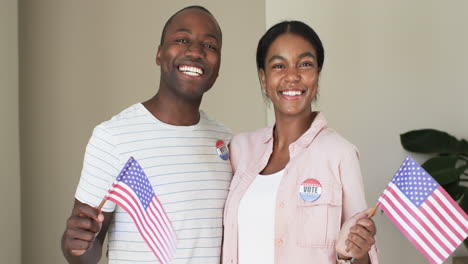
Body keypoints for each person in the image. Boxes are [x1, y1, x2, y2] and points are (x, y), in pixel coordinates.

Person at [61, 6, 232, 264]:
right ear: (159, 54)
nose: (196, 52)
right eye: (182, 40)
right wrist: (75, 245)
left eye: (209, 45)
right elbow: (86, 249)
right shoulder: (112, 137)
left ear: (217, 68)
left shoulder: (227, 141)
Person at [222, 21, 378, 264]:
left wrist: (354, 252)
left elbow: (360, 257)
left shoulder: (340, 154)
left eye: (305, 64)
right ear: (264, 79)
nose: (292, 76)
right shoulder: (240, 149)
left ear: (317, 76)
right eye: (278, 66)